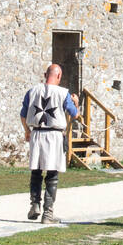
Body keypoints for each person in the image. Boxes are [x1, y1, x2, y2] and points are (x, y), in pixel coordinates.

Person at [19, 64, 79, 224]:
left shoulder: (32, 92)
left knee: (36, 172)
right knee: (52, 174)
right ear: (59, 76)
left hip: (37, 133)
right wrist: (76, 102)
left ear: (45, 74)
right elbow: (75, 114)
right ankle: (48, 214)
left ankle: (35, 204)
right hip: (54, 135)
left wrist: (27, 131)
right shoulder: (63, 93)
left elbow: (23, 115)